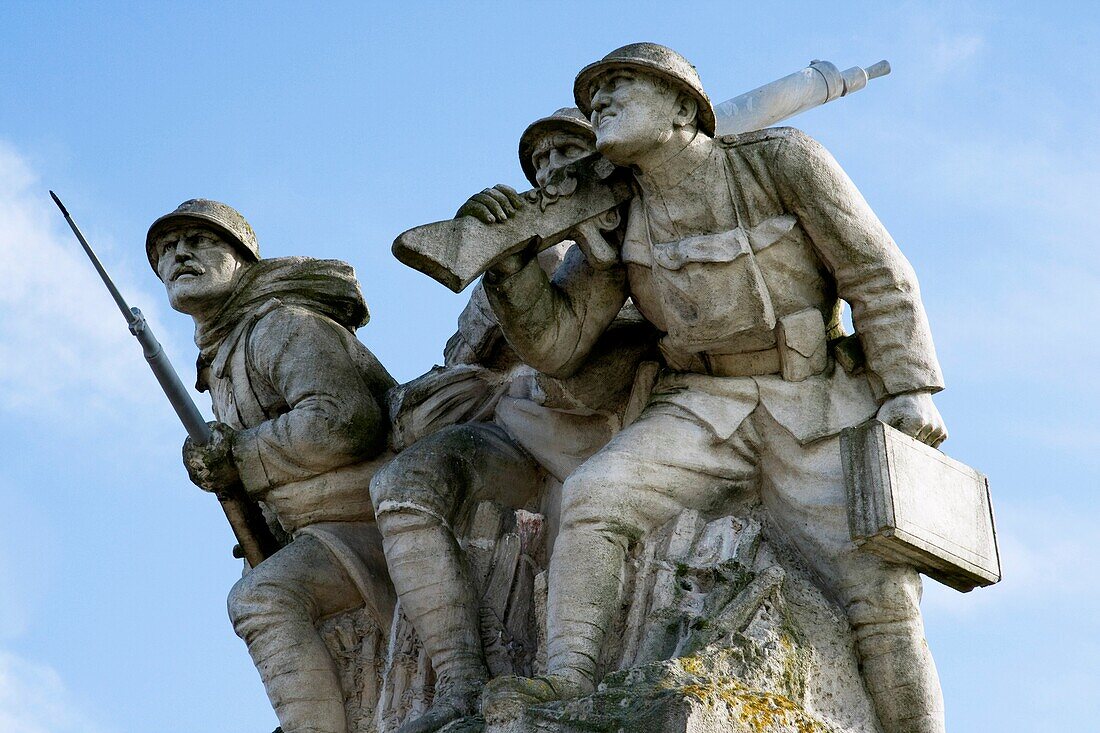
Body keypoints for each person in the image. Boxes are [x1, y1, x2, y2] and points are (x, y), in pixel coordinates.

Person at [478, 44, 949, 733]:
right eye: (594, 93)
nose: (600, 101)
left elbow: (878, 271)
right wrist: (509, 269)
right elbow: (559, 341)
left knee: (881, 593)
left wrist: (912, 387)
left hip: (810, 401)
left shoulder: (781, 160)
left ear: (679, 106)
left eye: (621, 85)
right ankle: (569, 674)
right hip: (702, 405)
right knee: (593, 498)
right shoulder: (616, 210)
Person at [369, 108, 655, 733]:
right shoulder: (514, 241)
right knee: (404, 486)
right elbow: (460, 359)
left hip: (612, 423)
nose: (552, 168)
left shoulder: (645, 221)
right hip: (514, 429)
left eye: (566, 153)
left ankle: (565, 679)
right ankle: (460, 682)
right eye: (540, 161)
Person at [148, 199, 396, 733]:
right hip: (325, 528)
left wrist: (238, 457)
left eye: (200, 241)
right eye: (166, 250)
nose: (179, 255)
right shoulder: (222, 360)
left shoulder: (281, 325)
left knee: (262, 597)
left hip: (377, 516)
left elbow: (344, 420)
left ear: (242, 259)